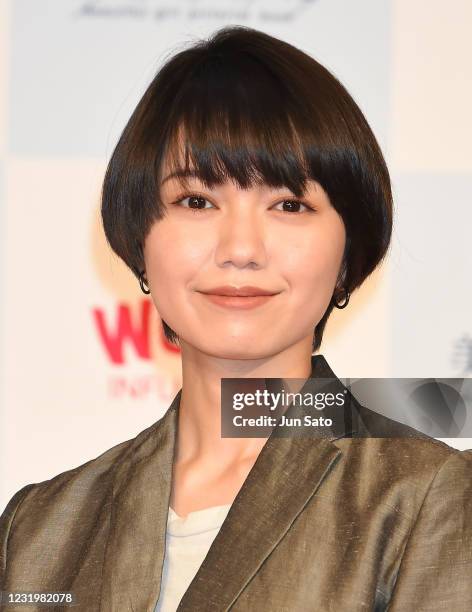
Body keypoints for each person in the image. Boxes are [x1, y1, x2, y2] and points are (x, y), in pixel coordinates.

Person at [1, 25, 471, 612]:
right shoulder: (38, 529)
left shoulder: (430, 497)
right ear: (138, 236)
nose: (241, 247)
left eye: (289, 205)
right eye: (197, 201)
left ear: (347, 255)